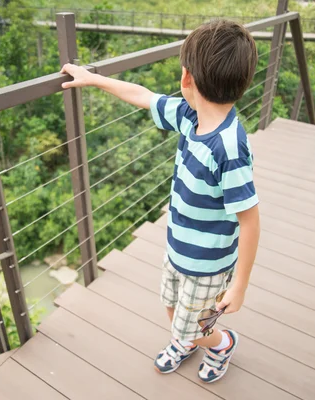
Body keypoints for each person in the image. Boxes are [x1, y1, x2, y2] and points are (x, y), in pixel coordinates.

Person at [60, 18, 260, 384]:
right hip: (177, 247)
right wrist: (95, 79)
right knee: (171, 304)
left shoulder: (229, 147)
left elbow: (250, 220)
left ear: (187, 79)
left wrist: (239, 285)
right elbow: (142, 96)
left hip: (209, 263)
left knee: (197, 324)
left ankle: (220, 343)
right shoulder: (190, 116)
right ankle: (186, 339)